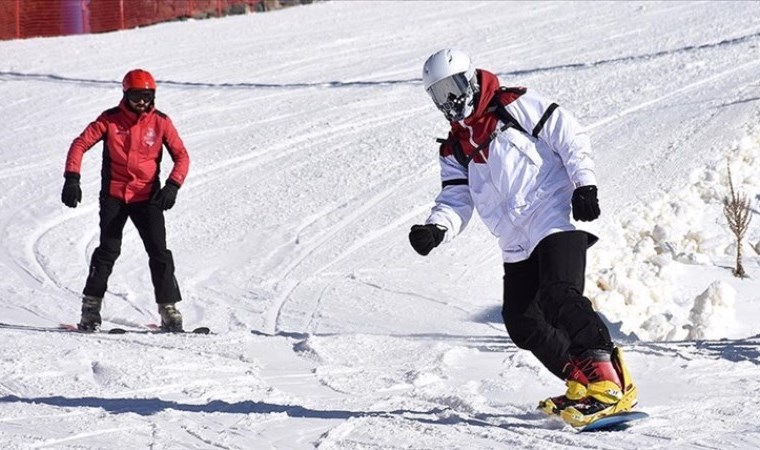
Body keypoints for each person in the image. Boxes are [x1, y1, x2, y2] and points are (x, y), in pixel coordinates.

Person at [409, 49, 637, 427]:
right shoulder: (454, 147)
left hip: (552, 212)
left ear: (469, 80)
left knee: (559, 293)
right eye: (438, 94)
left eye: (452, 88)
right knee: (522, 320)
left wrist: (585, 185)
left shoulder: (512, 104)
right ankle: (581, 381)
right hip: (513, 235)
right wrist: (437, 228)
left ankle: (609, 382)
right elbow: (456, 197)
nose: (448, 101)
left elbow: (569, 134)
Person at [61, 69, 190, 333]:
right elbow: (79, 144)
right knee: (108, 251)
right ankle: (91, 307)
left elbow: (182, 156)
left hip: (148, 197)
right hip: (115, 196)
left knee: (159, 252)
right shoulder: (110, 120)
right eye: (135, 95)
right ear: (125, 94)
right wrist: (72, 177)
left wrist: (172, 185)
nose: (141, 101)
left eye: (147, 95)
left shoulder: (161, 122)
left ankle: (168, 308)